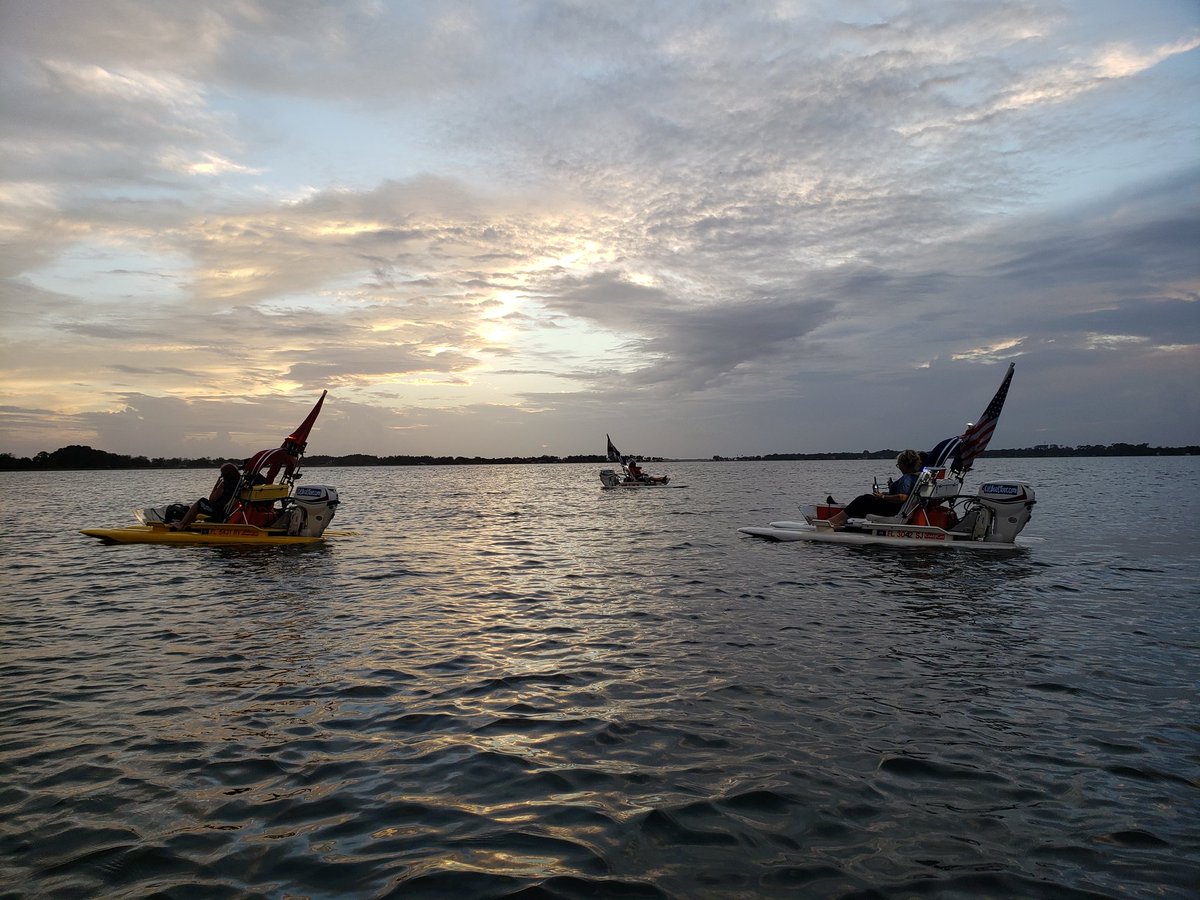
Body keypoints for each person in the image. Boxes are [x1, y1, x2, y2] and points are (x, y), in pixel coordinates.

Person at [828, 449, 923, 527]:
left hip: (893, 510)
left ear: (904, 465)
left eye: (899, 465)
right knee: (865, 502)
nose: (899, 468)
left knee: (863, 499)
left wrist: (883, 497)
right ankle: (843, 519)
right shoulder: (917, 477)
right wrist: (886, 494)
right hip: (898, 508)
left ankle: (836, 520)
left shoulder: (907, 478)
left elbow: (901, 497)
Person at [171, 463, 242, 530]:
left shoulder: (224, 485)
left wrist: (216, 485)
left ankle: (181, 524)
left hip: (219, 513)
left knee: (200, 502)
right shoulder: (239, 484)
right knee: (202, 504)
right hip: (228, 511)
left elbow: (211, 499)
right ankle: (186, 524)